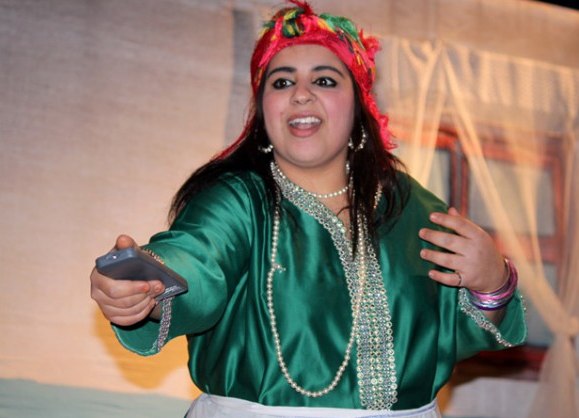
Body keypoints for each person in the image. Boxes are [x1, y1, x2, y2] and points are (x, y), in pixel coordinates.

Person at [90, 1, 527, 417]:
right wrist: (145, 287)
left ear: (359, 104)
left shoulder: (411, 206)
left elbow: (449, 333)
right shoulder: (239, 201)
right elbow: (196, 259)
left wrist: (493, 283)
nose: (301, 94)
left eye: (325, 81)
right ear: (262, 110)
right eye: (281, 82)